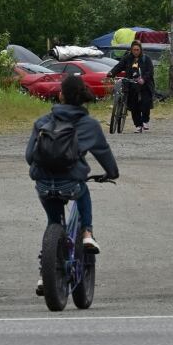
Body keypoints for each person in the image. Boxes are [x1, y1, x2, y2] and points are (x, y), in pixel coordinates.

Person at [25, 75, 119, 255]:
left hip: (43, 183)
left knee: (54, 223)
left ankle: (47, 271)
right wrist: (112, 173)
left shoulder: (42, 122)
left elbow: (30, 157)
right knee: (82, 189)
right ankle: (87, 232)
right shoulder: (89, 125)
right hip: (70, 184)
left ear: (61, 96)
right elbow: (104, 154)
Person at [107, 40, 154, 133]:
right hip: (131, 84)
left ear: (140, 50)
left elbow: (150, 71)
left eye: (137, 49)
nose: (136, 52)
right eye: (134, 50)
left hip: (144, 85)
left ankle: (145, 121)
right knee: (133, 105)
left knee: (145, 104)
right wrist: (111, 73)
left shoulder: (146, 59)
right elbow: (119, 66)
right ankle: (138, 125)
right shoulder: (127, 58)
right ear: (131, 50)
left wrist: (143, 79)